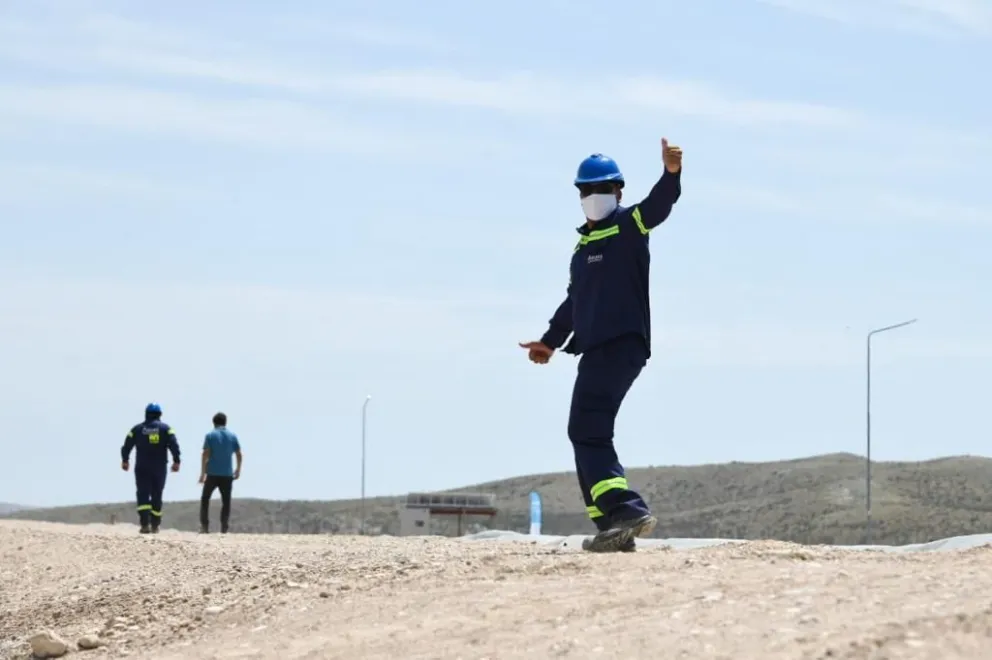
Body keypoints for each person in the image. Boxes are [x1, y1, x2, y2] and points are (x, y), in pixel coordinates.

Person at [519, 139, 684, 553]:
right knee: (585, 431)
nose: (595, 197)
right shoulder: (583, 248)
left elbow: (661, 204)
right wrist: (550, 342)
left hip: (620, 345)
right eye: (587, 191)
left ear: (619, 192)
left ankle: (625, 510)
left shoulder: (630, 226)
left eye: (603, 189)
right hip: (596, 350)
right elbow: (574, 303)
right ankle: (612, 524)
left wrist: (671, 174)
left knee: (588, 428)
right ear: (579, 196)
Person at [121, 402, 181, 534]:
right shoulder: (166, 429)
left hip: (142, 467)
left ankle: (144, 525)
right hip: (159, 468)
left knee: (143, 494)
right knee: (157, 494)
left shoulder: (137, 429)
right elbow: (174, 444)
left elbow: (127, 445)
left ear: (146, 414)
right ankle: (155, 525)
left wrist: (125, 460)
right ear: (160, 414)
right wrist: (176, 461)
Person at [198, 411, 242, 534]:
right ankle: (224, 528)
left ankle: (205, 526)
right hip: (227, 474)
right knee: (226, 501)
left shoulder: (210, 435)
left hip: (212, 473)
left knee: (205, 499)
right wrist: (238, 469)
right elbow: (239, 454)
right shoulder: (232, 436)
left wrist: (202, 473)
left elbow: (205, 454)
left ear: (214, 423)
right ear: (225, 422)